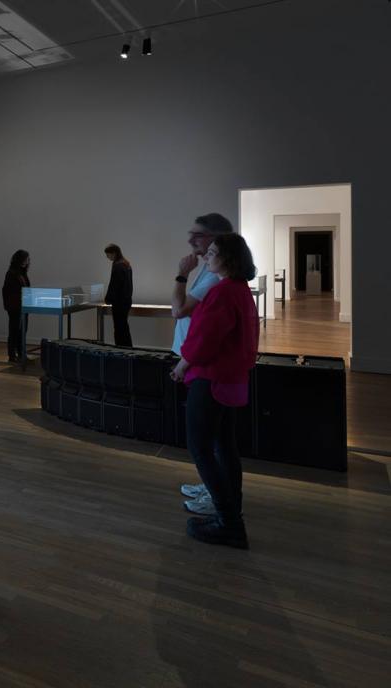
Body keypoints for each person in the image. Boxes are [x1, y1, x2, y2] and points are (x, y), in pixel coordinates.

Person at [170, 233, 259, 549]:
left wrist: (183, 364)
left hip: (212, 379)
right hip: (229, 378)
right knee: (224, 446)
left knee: (201, 447)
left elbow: (205, 338)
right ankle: (230, 512)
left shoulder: (223, 293)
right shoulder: (238, 291)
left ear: (229, 258)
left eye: (212, 252)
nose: (206, 256)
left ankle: (229, 523)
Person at [171, 213, 234, 515]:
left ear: (217, 240)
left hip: (207, 369)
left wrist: (181, 275)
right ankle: (217, 491)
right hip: (203, 365)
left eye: (197, 235)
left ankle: (223, 507)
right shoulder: (214, 275)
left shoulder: (219, 282)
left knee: (206, 442)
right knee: (215, 439)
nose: (191, 241)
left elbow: (180, 312)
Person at [2, 250, 31, 363]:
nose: (27, 261)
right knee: (14, 330)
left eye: (28, 259)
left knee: (23, 331)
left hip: (24, 306)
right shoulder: (12, 273)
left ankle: (21, 354)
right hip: (15, 307)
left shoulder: (22, 273)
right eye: (25, 258)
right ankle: (12, 355)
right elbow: (10, 291)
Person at [103, 244, 133, 347]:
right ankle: (127, 347)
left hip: (119, 302)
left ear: (114, 253)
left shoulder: (118, 266)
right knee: (124, 326)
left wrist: (108, 298)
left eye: (108, 255)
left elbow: (114, 285)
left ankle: (120, 348)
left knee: (119, 327)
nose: (108, 257)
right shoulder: (126, 264)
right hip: (126, 301)